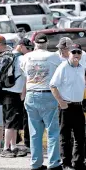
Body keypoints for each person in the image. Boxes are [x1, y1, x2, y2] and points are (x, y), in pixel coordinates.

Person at [20, 34, 62, 170]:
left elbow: (24, 73)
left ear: (34, 43)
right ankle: (54, 163)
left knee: (35, 133)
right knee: (52, 132)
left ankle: (36, 163)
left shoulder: (26, 57)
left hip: (31, 94)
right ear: (47, 42)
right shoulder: (54, 57)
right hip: (48, 94)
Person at [50, 43, 85, 170]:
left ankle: (79, 162)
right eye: (73, 52)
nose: (76, 54)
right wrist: (61, 102)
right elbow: (53, 85)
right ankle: (66, 163)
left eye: (78, 52)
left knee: (80, 136)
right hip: (66, 106)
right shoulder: (63, 67)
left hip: (78, 106)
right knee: (65, 137)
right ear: (68, 53)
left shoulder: (81, 67)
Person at [0, 38, 34, 158]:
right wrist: (23, 94)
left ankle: (13, 146)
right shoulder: (21, 58)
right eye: (27, 48)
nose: (29, 50)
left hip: (6, 92)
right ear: (20, 46)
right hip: (14, 93)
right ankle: (6, 148)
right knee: (10, 122)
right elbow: (27, 77)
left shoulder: (9, 56)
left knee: (12, 122)